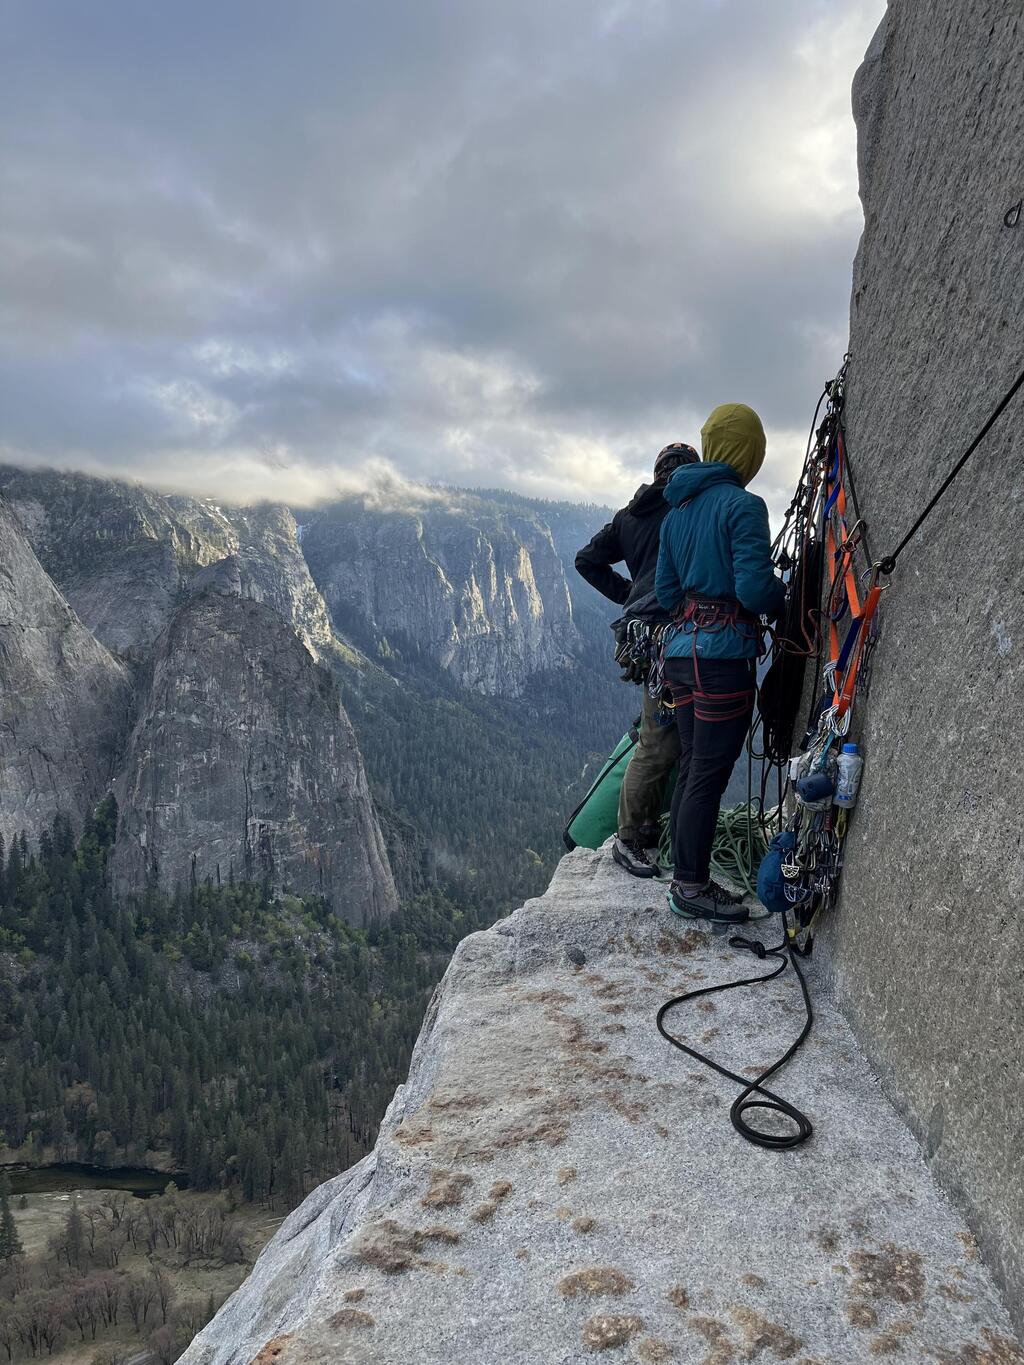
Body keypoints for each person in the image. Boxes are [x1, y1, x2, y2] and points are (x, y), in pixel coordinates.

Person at [655, 403, 785, 923]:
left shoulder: (676, 513)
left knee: (693, 766)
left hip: (681, 656)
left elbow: (667, 593)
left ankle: (685, 878)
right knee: (709, 773)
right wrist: (785, 599)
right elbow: (755, 589)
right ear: (749, 451)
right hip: (722, 659)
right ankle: (691, 885)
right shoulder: (743, 507)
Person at [575, 441, 700, 877]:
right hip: (674, 635)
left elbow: (587, 560)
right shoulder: (683, 508)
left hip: (642, 638)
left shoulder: (630, 516)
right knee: (661, 741)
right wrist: (639, 596)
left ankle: (647, 827)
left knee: (662, 733)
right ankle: (630, 837)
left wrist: (629, 596)